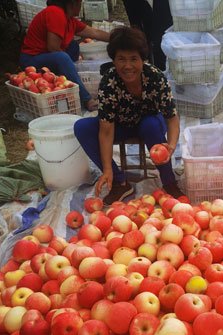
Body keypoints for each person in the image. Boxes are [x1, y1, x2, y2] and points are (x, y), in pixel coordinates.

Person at [74, 26, 184, 205]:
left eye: (134, 59)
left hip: (150, 123)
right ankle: (119, 182)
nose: (128, 66)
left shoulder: (155, 77)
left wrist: (170, 146)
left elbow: (171, 119)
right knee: (82, 127)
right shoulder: (109, 82)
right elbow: (106, 130)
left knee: (150, 125)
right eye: (121, 59)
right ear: (113, 60)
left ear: (143, 59)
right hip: (120, 125)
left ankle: (169, 181)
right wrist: (107, 169)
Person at [20, 0, 110, 112]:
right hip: (31, 60)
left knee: (73, 46)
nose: (80, 6)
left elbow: (94, 33)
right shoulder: (55, 13)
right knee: (62, 57)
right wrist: (66, 63)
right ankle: (87, 99)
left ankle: (67, 80)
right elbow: (53, 47)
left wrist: (118, 37)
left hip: (46, 57)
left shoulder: (70, 21)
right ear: (72, 3)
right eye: (80, 2)